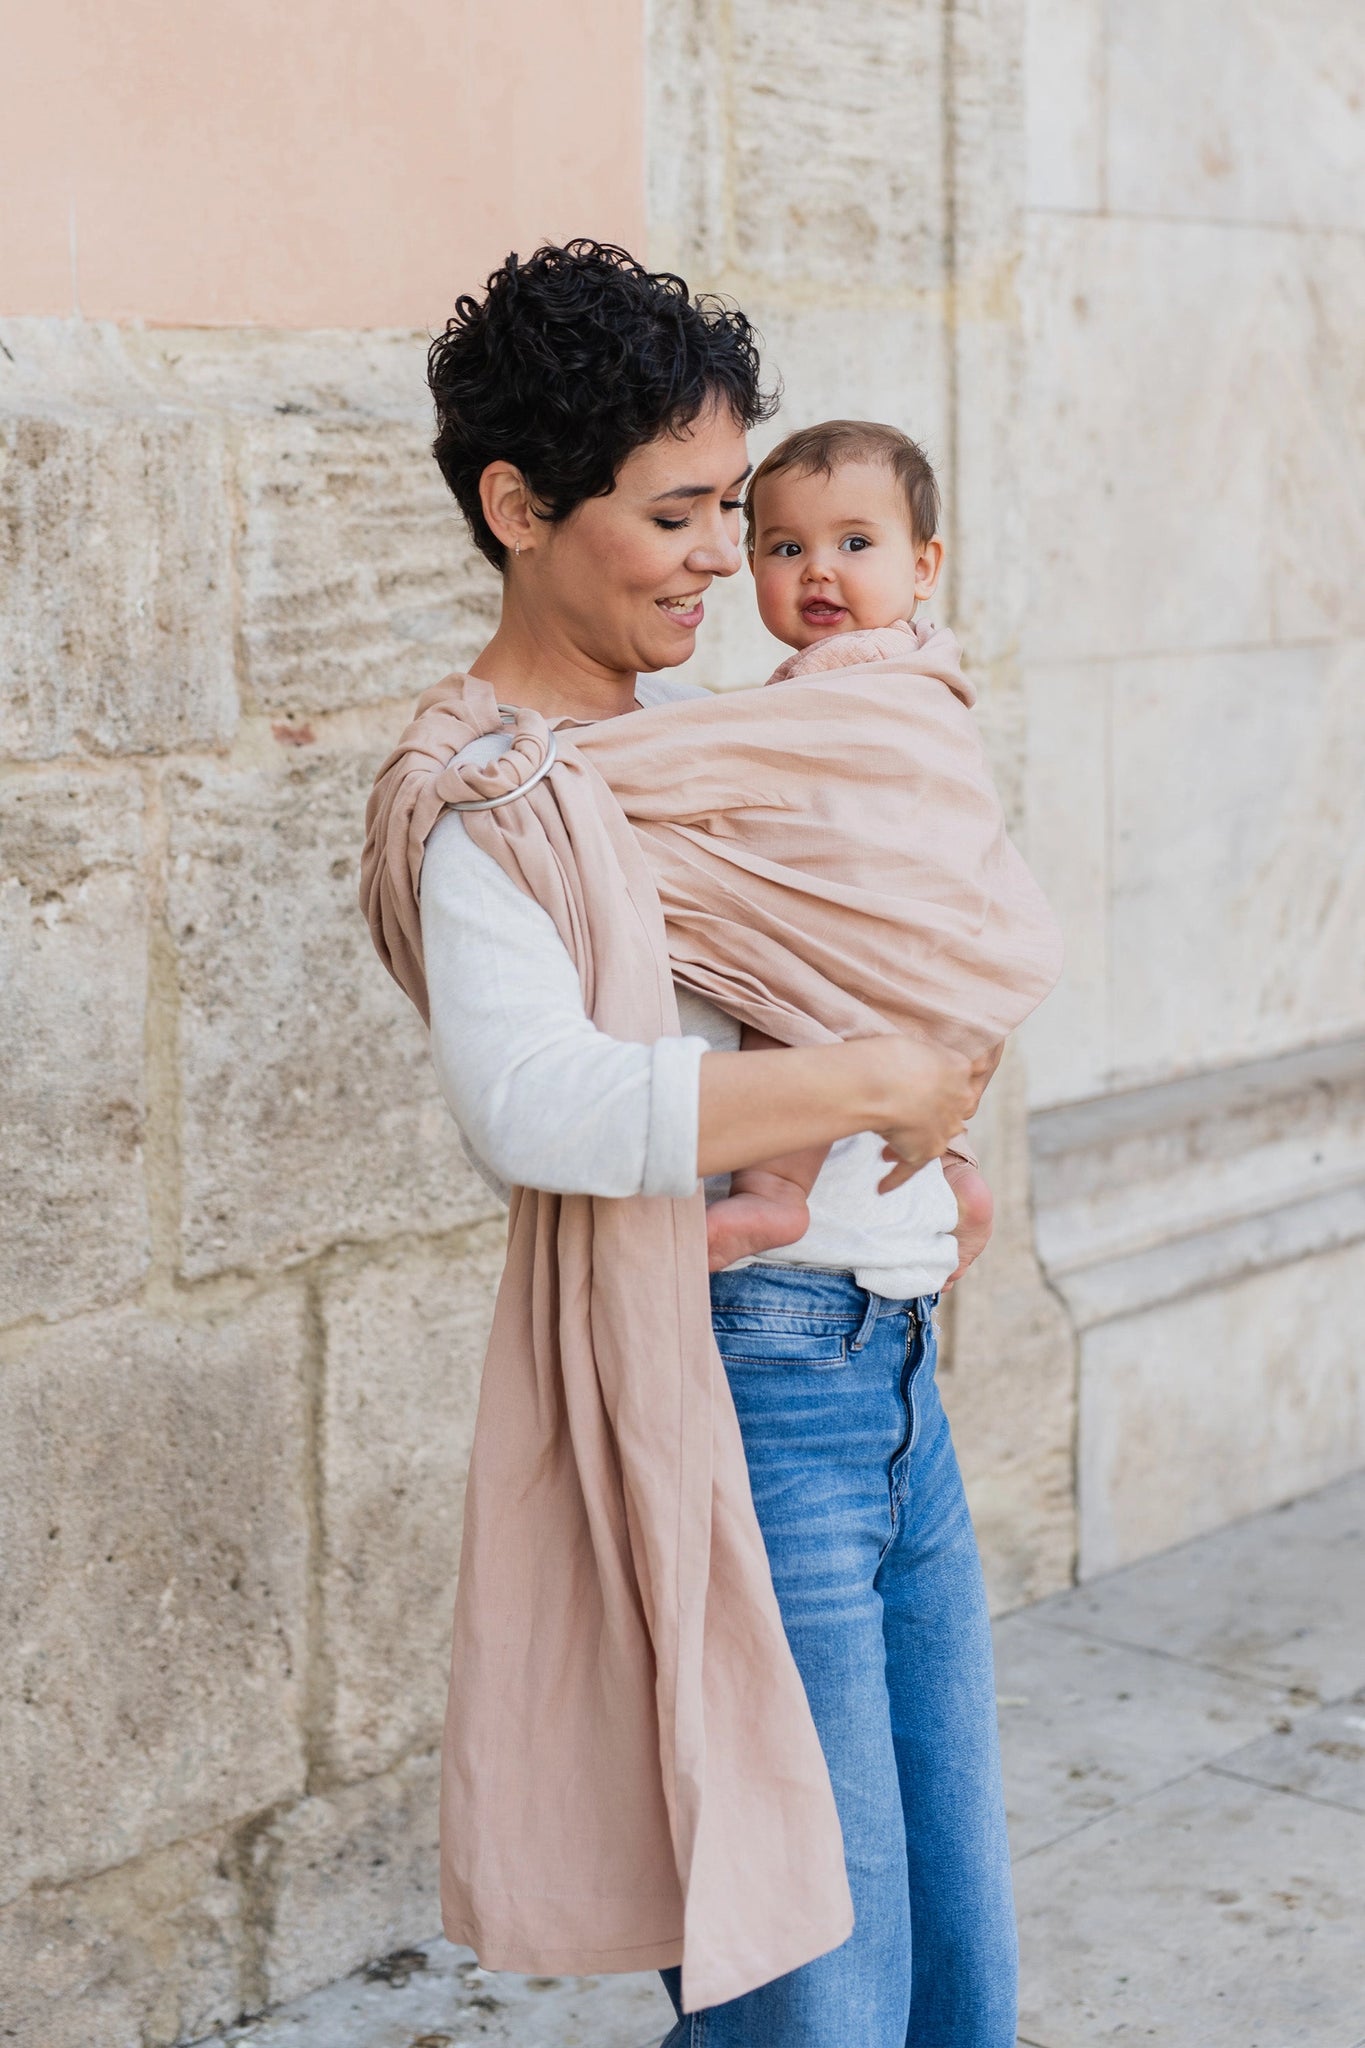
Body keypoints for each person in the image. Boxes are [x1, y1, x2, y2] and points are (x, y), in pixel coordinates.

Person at [362, 241, 1034, 2048]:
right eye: (677, 515)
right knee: (814, 1987)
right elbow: (547, 1105)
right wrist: (881, 1079)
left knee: (958, 1972)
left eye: (734, 505)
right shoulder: (487, 794)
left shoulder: (706, 735)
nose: (724, 562)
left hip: (893, 1384)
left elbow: (887, 928)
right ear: (518, 505)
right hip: (744, 1403)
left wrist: (929, 1131)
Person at [703, 419, 1001, 1280]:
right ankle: (952, 1170)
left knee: (785, 1016)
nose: (817, 569)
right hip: (927, 931)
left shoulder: (850, 675)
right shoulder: (916, 668)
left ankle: (770, 1194)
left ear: (922, 567)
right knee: (914, 1060)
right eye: (784, 546)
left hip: (865, 913)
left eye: (855, 542)